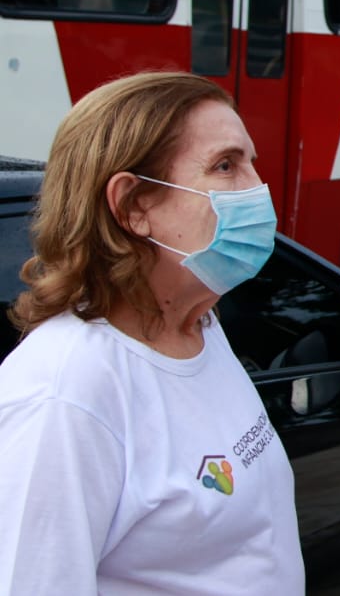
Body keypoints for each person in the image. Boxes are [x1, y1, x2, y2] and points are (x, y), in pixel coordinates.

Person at [0, 71, 304, 594]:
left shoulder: (200, 326)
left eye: (251, 163)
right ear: (134, 205)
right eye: (226, 166)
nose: (258, 189)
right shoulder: (67, 393)